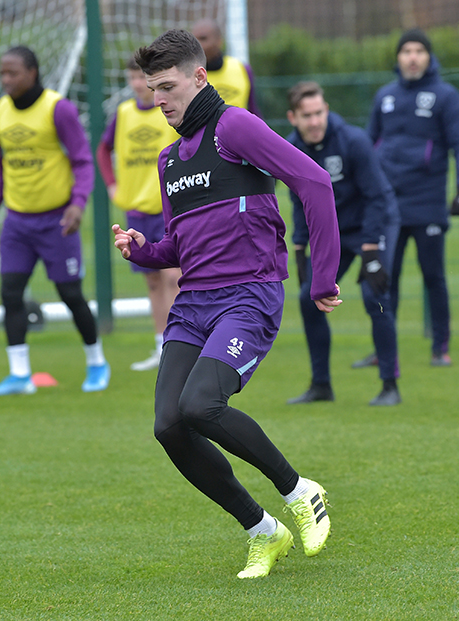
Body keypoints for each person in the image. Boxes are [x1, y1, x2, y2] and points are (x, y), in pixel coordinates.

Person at [113, 29, 342, 579]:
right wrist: (145, 252)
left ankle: (300, 491)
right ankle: (262, 530)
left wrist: (322, 277)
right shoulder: (169, 160)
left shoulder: (233, 126)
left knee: (200, 406)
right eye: (151, 90)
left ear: (199, 77)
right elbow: (180, 244)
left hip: (248, 296)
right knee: (168, 424)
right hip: (193, 303)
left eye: (167, 87)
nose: (158, 100)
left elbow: (313, 182)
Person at [0, 46, 109, 396]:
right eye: (2, 73)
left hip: (57, 222)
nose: (6, 80)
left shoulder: (58, 109)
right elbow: (0, 166)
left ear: (32, 73)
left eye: (13, 73)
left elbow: (82, 161)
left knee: (70, 294)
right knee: (10, 293)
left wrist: (77, 204)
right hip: (18, 223)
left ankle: (97, 362)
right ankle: (19, 375)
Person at [354, 28, 459, 368]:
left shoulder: (446, 97)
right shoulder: (385, 97)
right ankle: (383, 349)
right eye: (406, 50)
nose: (412, 57)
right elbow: (366, 146)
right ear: (398, 58)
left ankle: (441, 347)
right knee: (384, 277)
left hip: (429, 201)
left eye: (419, 50)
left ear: (429, 57)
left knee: (433, 276)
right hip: (388, 204)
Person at [284, 82, 402, 407]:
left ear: (327, 109)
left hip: (373, 223)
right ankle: (321, 385)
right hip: (332, 231)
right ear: (293, 117)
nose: (315, 121)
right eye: (307, 115)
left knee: (374, 295)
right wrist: (298, 247)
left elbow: (377, 197)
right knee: (310, 300)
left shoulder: (353, 141)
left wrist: (371, 251)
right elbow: (298, 202)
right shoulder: (291, 150)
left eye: (320, 112)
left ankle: (390, 385)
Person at [96, 57, 180, 371]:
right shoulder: (122, 114)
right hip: (137, 212)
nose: (135, 84)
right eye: (131, 78)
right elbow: (103, 150)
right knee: (153, 283)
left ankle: (180, 344)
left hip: (168, 208)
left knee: (175, 277)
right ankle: (160, 347)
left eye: (140, 78)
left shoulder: (168, 110)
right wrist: (112, 184)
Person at [191, 18, 261, 116]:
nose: (197, 45)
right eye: (194, 40)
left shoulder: (242, 69)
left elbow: (253, 110)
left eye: (203, 39)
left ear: (219, 41)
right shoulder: (187, 74)